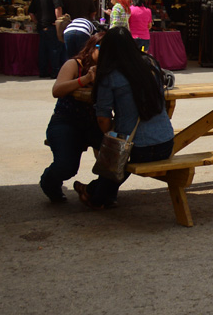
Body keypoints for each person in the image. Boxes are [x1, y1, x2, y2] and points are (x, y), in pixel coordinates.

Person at [73, 27, 175, 209]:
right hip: (165, 143)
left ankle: (94, 194)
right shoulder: (151, 64)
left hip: (138, 149)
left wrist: (112, 134)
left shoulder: (110, 75)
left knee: (118, 149)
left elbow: (102, 118)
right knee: (125, 150)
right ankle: (95, 193)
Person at [38, 32, 104, 203]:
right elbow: (57, 90)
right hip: (66, 120)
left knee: (117, 160)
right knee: (66, 167)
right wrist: (85, 79)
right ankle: (49, 183)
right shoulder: (74, 64)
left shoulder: (109, 69)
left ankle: (98, 192)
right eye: (102, 48)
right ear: (92, 47)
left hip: (95, 122)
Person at [30, 0, 64, 79]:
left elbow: (31, 12)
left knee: (43, 50)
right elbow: (57, 8)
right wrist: (59, 21)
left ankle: (43, 71)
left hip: (41, 26)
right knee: (54, 49)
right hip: (51, 25)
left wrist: (37, 21)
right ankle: (55, 72)